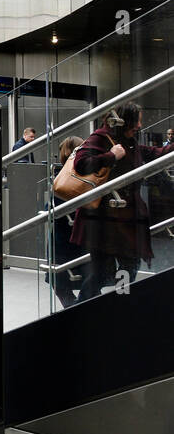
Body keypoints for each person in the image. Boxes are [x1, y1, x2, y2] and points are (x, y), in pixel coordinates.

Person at [70, 102, 174, 301]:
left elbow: (155, 154)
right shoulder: (101, 137)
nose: (139, 125)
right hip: (104, 220)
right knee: (102, 271)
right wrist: (111, 156)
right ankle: (81, 307)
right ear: (123, 120)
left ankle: (119, 306)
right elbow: (81, 163)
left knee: (128, 265)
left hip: (124, 219)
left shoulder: (131, 142)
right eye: (136, 121)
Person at [48, 136, 86, 309]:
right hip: (78, 238)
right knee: (88, 281)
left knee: (61, 284)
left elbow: (50, 207)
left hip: (63, 239)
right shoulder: (86, 176)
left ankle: (75, 314)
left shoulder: (58, 177)